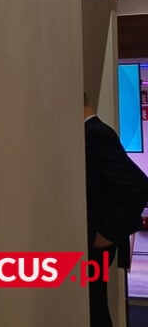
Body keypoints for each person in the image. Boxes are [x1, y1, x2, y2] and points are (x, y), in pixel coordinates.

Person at [84, 93, 148, 326]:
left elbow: (137, 185)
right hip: (96, 240)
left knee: (94, 307)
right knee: (92, 305)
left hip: (96, 242)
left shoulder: (94, 134)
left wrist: (106, 233)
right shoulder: (96, 132)